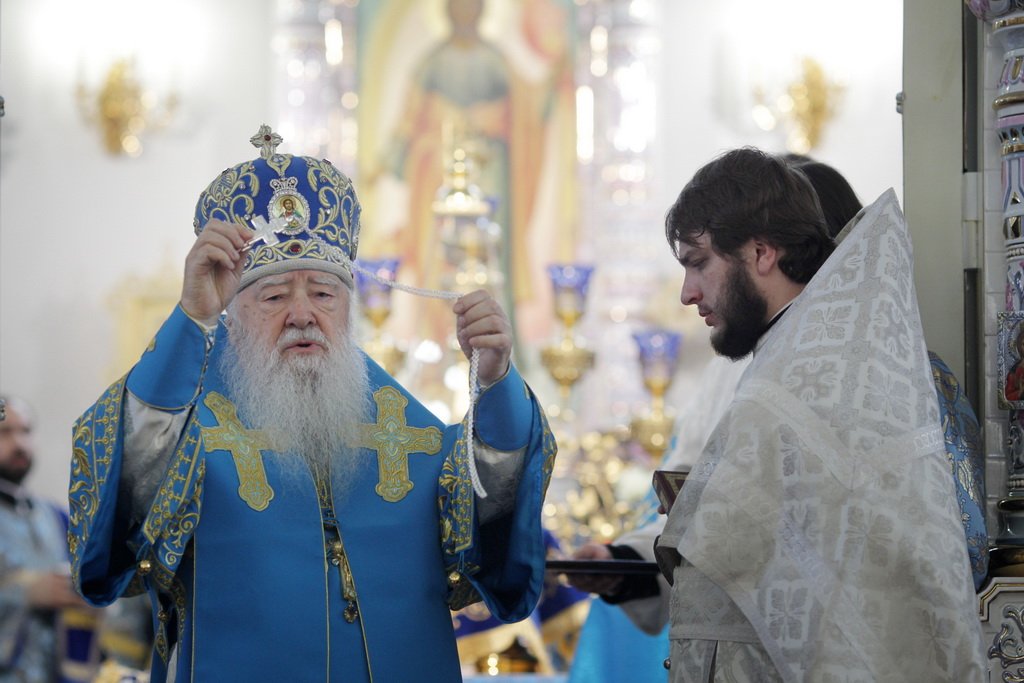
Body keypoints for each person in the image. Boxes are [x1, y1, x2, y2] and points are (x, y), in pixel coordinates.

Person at [68, 125, 557, 682]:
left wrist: (495, 383)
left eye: (324, 294)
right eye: (274, 296)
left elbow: (487, 532)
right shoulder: (180, 420)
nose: (302, 314)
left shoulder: (400, 425)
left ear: (349, 309)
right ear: (231, 314)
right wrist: (190, 320)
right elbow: (120, 507)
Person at [653, 147, 984, 680]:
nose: (688, 293)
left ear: (762, 252)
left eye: (699, 263)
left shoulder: (800, 385)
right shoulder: (808, 363)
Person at [0, 395, 95, 682]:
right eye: (5, 432)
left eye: (26, 431)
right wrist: (25, 593)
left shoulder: (56, 516)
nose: (19, 443)